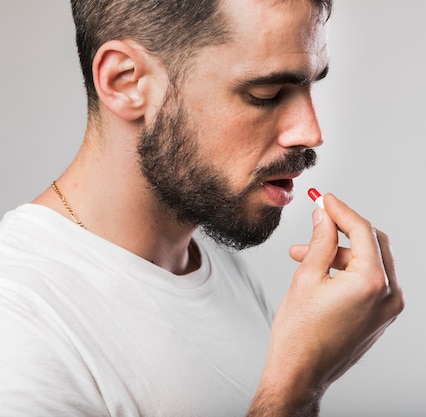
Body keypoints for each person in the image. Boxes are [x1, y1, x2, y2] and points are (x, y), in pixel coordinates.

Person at [0, 0, 405, 415]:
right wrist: (299, 383)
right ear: (125, 81)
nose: (310, 132)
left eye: (309, 86)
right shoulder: (19, 321)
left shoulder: (210, 261)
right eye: (264, 94)